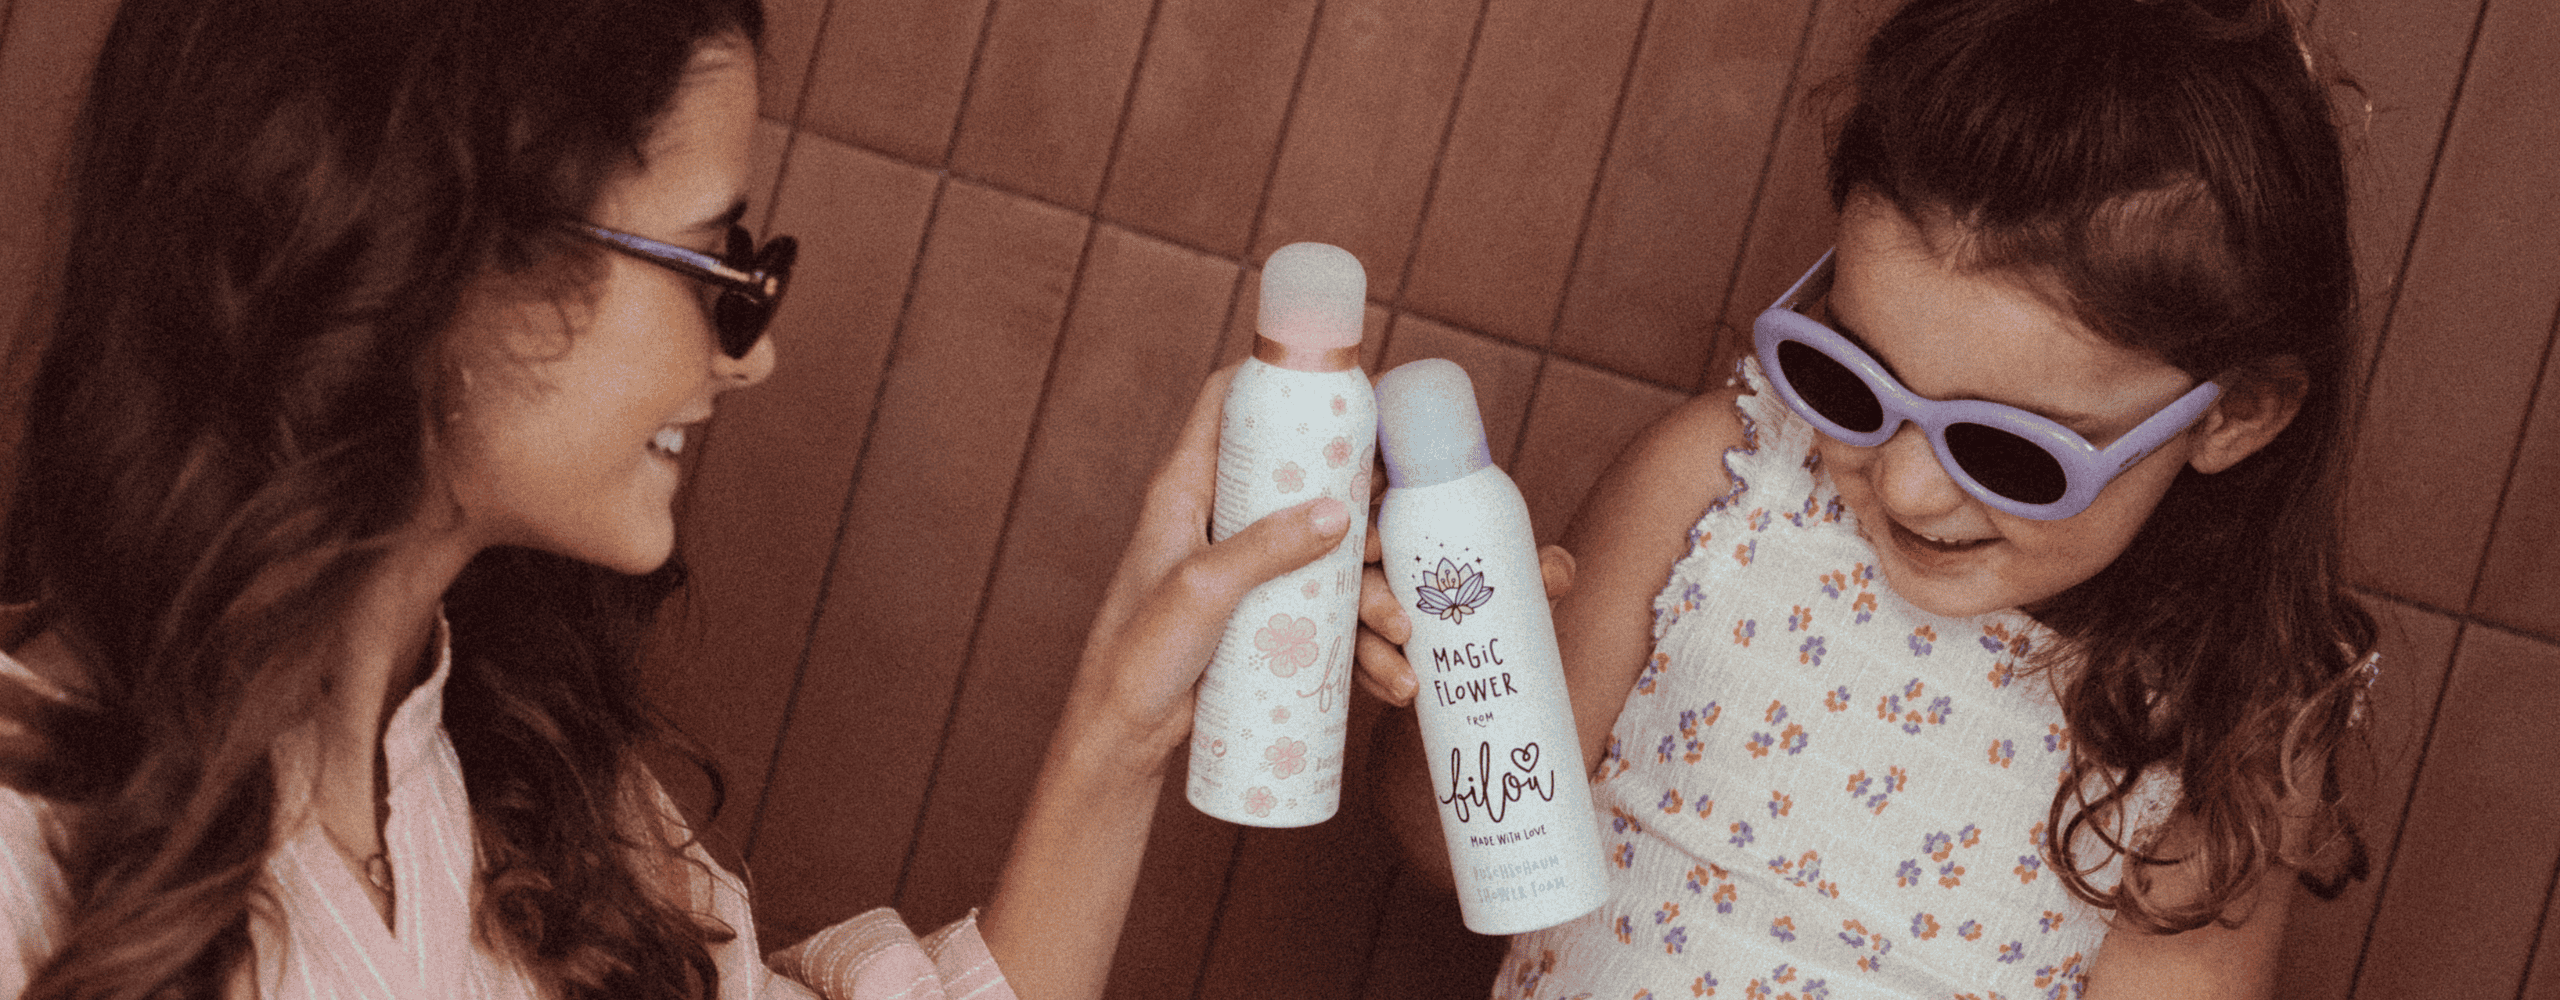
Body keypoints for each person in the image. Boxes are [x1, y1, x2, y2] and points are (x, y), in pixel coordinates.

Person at [0, 0, 1351, 997]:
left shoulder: (555, 809)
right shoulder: (25, 852)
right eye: (717, 261)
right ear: (441, 246)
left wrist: (1127, 709)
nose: (750, 353)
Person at [1355, 0, 2379, 996]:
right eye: (1848, 378)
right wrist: (1458, 660)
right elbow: (1446, 846)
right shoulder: (1717, 487)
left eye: (2009, 450)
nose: (1905, 485)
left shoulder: (2224, 717)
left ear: (2233, 414)